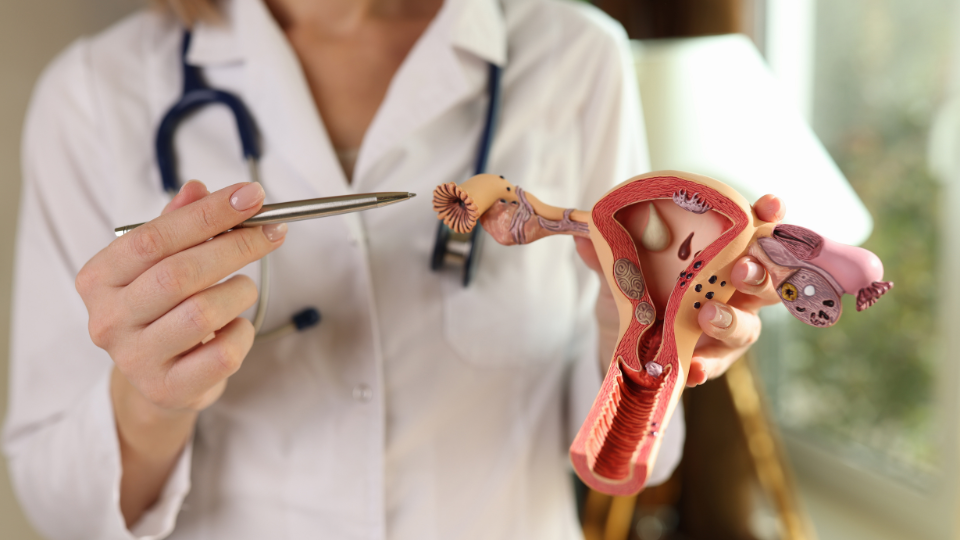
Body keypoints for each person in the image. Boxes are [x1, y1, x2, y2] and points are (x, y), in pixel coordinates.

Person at [2, 0, 785, 538]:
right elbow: (58, 505)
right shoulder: (96, 95)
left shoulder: (576, 57)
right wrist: (149, 404)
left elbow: (628, 461)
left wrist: (638, 333)